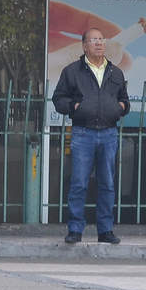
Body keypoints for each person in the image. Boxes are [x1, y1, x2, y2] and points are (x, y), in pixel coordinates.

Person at [52, 28, 131, 245]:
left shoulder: (116, 73)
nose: (99, 43)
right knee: (79, 183)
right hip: (82, 133)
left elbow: (125, 100)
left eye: (101, 40)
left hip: (109, 133)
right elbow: (58, 99)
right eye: (94, 40)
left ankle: (105, 230)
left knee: (107, 184)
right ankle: (75, 229)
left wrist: (121, 107)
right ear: (84, 46)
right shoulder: (72, 72)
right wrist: (74, 106)